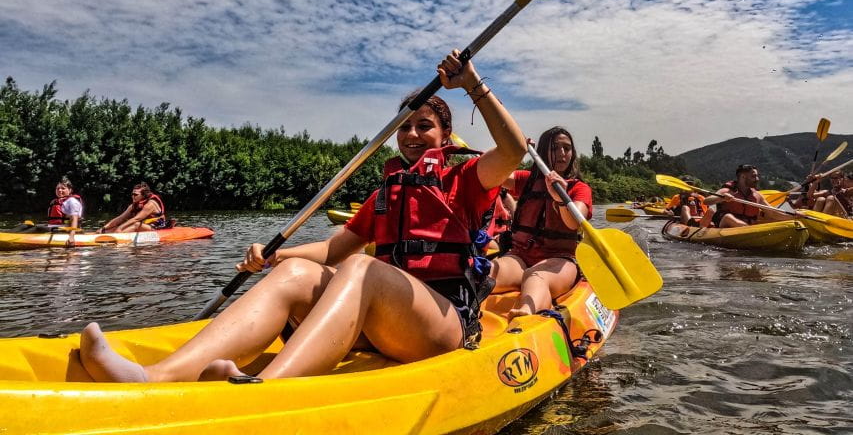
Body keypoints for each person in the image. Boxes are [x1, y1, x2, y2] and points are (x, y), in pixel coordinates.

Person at [78, 50, 526, 383]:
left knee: (362, 268)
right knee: (297, 272)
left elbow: (514, 149)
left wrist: (472, 84)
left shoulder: (466, 177)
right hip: (386, 323)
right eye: (404, 127)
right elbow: (335, 246)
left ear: (446, 135)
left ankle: (268, 389)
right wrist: (277, 257)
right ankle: (155, 377)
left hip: (444, 321)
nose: (411, 134)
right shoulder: (388, 192)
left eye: (423, 126)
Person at [489, 126, 592, 319]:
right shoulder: (527, 180)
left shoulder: (579, 188)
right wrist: (515, 151)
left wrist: (560, 198)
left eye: (567, 148)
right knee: (487, 274)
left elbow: (573, 222)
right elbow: (493, 172)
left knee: (535, 277)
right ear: (543, 150)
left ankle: (525, 316)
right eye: (554, 148)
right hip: (519, 257)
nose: (562, 154)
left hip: (560, 260)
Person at [699, 165, 785, 228]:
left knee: (770, 218)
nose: (757, 179)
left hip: (746, 227)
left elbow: (773, 212)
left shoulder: (757, 195)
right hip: (726, 226)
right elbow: (707, 201)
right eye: (753, 176)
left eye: (757, 176)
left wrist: (794, 217)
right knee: (728, 217)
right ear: (743, 177)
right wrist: (721, 197)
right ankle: (752, 232)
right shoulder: (728, 190)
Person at [17, 178, 84, 247]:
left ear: (70, 190)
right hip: (55, 228)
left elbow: (74, 219)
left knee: (38, 228)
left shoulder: (72, 201)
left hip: (65, 230)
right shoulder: (54, 202)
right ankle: (7, 234)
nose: (59, 190)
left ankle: (16, 238)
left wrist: (71, 237)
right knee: (26, 226)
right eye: (57, 188)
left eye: (63, 188)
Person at [99, 183, 168, 233]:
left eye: (135, 195)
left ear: (144, 195)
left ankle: (116, 236)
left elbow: (136, 219)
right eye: (132, 194)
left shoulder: (150, 204)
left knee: (135, 225)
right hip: (144, 226)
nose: (133, 196)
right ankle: (104, 233)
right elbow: (120, 218)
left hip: (157, 228)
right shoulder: (133, 206)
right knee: (112, 228)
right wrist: (104, 228)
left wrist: (120, 228)